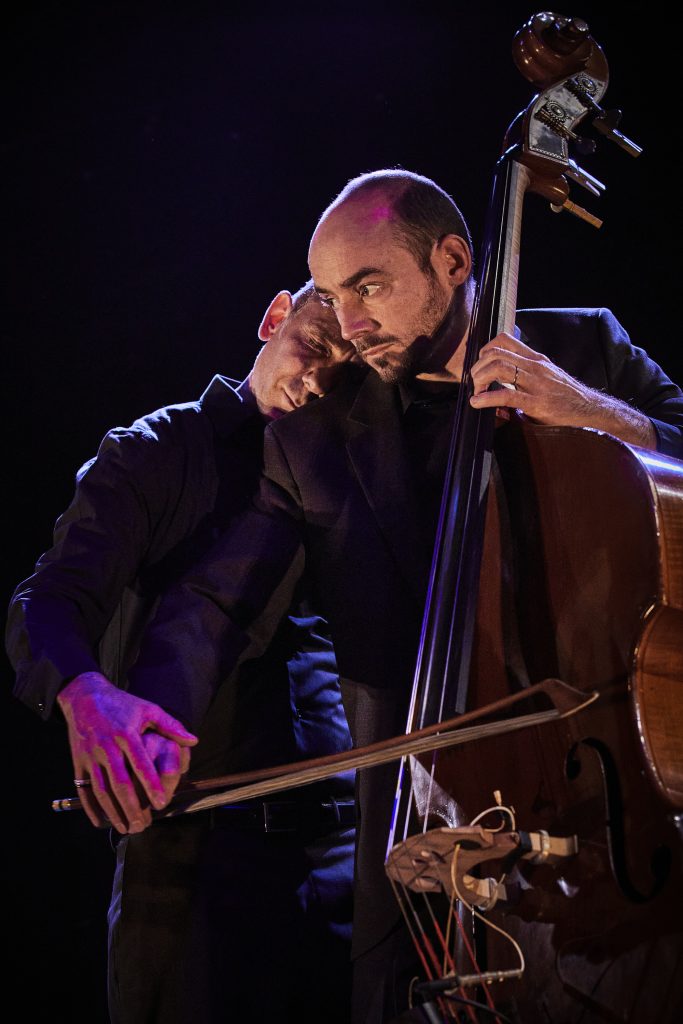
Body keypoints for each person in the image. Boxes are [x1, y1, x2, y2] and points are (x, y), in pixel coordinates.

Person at [102, 170, 683, 1022]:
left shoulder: (586, 349)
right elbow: (216, 599)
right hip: (421, 814)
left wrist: (598, 413)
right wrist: (147, 717)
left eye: (368, 286)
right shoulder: (318, 439)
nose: (348, 322)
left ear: (452, 259)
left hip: (614, 792)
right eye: (333, 295)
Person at [6, 281, 358, 1024]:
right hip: (188, 850)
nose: (316, 381)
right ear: (273, 317)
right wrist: (84, 692)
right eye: (314, 348)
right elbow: (47, 603)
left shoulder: (354, 477)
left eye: (343, 372)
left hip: (340, 846)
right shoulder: (156, 452)